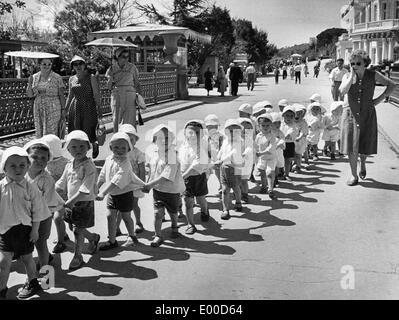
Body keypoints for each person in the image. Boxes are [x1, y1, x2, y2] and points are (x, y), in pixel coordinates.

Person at [339, 49, 395, 186]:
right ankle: (353, 175)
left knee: (364, 143)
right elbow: (342, 92)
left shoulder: (373, 75)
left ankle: (362, 164)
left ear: (365, 63)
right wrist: (351, 76)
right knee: (351, 147)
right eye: (352, 63)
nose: (355, 66)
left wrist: (378, 100)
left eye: (358, 63)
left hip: (367, 114)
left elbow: (392, 85)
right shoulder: (348, 76)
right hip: (350, 114)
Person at [0, 147, 49, 299]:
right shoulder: (1, 187)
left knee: (27, 258)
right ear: (4, 168)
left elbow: (38, 211)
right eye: (12, 166)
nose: (18, 169)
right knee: (3, 262)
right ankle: (2, 289)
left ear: (27, 166)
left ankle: (33, 282)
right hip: (5, 231)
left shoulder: (30, 187)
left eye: (22, 165)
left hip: (24, 230)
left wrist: (35, 231)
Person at [55, 130, 100, 270]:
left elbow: (85, 189)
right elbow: (62, 182)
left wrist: (70, 202)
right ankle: (92, 237)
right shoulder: (69, 164)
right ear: (68, 149)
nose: (78, 150)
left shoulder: (89, 166)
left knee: (77, 230)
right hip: (71, 202)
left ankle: (78, 256)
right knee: (72, 226)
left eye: (82, 146)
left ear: (88, 147)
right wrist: (52, 191)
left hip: (83, 202)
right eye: (73, 147)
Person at [96, 132, 145, 250]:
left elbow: (115, 181)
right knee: (110, 216)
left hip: (124, 194)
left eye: (124, 147)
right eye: (116, 147)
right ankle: (112, 241)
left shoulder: (126, 164)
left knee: (126, 216)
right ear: (110, 147)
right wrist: (96, 186)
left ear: (129, 149)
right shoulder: (108, 159)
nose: (120, 150)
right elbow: (103, 174)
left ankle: (132, 235)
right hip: (112, 194)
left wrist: (103, 193)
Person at [143, 125, 185, 247]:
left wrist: (149, 185)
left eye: (166, 138)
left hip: (171, 191)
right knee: (158, 213)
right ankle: (158, 235)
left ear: (171, 139)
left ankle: (174, 227)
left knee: (173, 212)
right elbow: (151, 169)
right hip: (158, 190)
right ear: (154, 140)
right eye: (159, 138)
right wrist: (146, 170)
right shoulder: (155, 154)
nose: (163, 141)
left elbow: (166, 176)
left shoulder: (172, 156)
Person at [24, 139, 63, 270]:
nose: (39, 160)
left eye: (43, 158)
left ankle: (45, 272)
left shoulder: (47, 179)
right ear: (26, 157)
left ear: (48, 160)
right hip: (26, 216)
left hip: (43, 217)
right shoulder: (22, 175)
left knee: (40, 243)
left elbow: (47, 204)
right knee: (31, 243)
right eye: (34, 157)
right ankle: (46, 258)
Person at [65, 56, 102, 159]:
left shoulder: (91, 77)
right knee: (77, 131)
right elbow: (70, 95)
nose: (78, 66)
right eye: (75, 64)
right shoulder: (71, 79)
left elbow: (96, 93)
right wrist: (65, 110)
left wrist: (99, 108)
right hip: (76, 107)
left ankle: (94, 144)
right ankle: (81, 156)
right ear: (73, 66)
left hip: (89, 106)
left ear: (84, 65)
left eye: (80, 63)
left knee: (88, 129)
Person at [179, 120, 210, 234]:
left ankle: (205, 211)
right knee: (188, 201)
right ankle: (191, 224)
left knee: (201, 199)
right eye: (190, 132)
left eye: (197, 133)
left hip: (197, 177)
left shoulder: (201, 148)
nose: (193, 135)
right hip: (185, 179)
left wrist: (184, 175)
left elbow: (197, 165)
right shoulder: (182, 146)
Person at [41, 134, 70, 254]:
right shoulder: (46, 163)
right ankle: (63, 235)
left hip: (65, 198)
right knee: (57, 218)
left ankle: (61, 242)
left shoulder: (66, 163)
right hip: (52, 198)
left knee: (59, 218)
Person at [26, 58, 66, 139]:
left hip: (53, 107)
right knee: (39, 130)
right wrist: (29, 83)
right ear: (39, 65)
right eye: (44, 64)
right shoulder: (34, 77)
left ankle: (53, 149)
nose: (47, 66)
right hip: (38, 107)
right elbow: (30, 95)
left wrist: (63, 110)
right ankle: (42, 150)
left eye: (49, 64)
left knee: (52, 132)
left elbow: (61, 95)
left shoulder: (57, 77)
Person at [118, 124, 146, 234]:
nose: (129, 141)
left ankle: (138, 222)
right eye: (126, 139)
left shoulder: (137, 153)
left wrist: (143, 184)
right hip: (123, 184)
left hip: (135, 183)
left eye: (131, 139)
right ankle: (117, 227)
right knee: (121, 207)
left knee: (134, 204)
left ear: (135, 140)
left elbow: (142, 169)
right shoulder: (119, 152)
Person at [106, 48, 142, 132]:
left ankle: (130, 139)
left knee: (130, 118)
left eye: (127, 57)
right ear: (117, 57)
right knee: (116, 118)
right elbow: (109, 87)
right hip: (117, 94)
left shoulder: (132, 67)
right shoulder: (112, 69)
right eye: (123, 57)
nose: (126, 59)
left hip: (130, 95)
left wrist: (140, 97)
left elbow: (137, 82)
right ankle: (118, 140)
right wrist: (110, 77)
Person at [216, 119, 244, 220]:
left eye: (235, 131)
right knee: (225, 189)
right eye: (230, 131)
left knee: (236, 187)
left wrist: (221, 160)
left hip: (234, 168)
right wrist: (218, 157)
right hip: (224, 168)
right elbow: (222, 150)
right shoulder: (225, 140)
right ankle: (225, 210)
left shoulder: (239, 141)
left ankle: (238, 202)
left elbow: (233, 153)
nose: (232, 133)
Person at [255, 113, 279, 199]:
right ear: (259, 126)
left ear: (271, 126)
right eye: (263, 125)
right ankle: (264, 186)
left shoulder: (272, 136)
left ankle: (270, 189)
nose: (265, 127)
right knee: (262, 172)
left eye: (267, 125)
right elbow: (256, 145)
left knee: (269, 172)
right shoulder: (258, 136)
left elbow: (271, 148)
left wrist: (261, 153)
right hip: (262, 158)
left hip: (271, 157)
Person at [204, 114, 224, 194]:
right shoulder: (204, 136)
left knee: (219, 173)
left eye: (214, 126)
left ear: (217, 127)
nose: (212, 129)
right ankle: (202, 188)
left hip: (217, 158)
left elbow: (222, 147)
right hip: (207, 158)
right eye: (209, 127)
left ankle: (222, 186)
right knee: (205, 174)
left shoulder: (221, 136)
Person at [238, 118, 255, 203]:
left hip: (246, 162)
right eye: (242, 128)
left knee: (244, 180)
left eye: (248, 129)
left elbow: (250, 148)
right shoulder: (236, 138)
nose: (245, 130)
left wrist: (245, 153)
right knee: (237, 179)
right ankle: (238, 193)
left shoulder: (249, 139)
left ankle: (245, 195)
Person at [281, 105, 299, 181]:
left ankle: (286, 174)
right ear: (283, 115)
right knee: (279, 159)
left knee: (287, 160)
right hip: (280, 144)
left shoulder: (294, 126)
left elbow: (290, 135)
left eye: (291, 116)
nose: (289, 118)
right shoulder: (280, 124)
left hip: (289, 144)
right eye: (287, 115)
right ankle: (280, 172)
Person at [293, 104, 308, 173]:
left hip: (300, 141)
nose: (297, 115)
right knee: (292, 154)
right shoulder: (291, 122)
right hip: (292, 141)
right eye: (296, 114)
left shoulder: (303, 123)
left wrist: (299, 137)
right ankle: (293, 164)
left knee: (298, 155)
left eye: (299, 114)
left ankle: (298, 167)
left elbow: (303, 132)